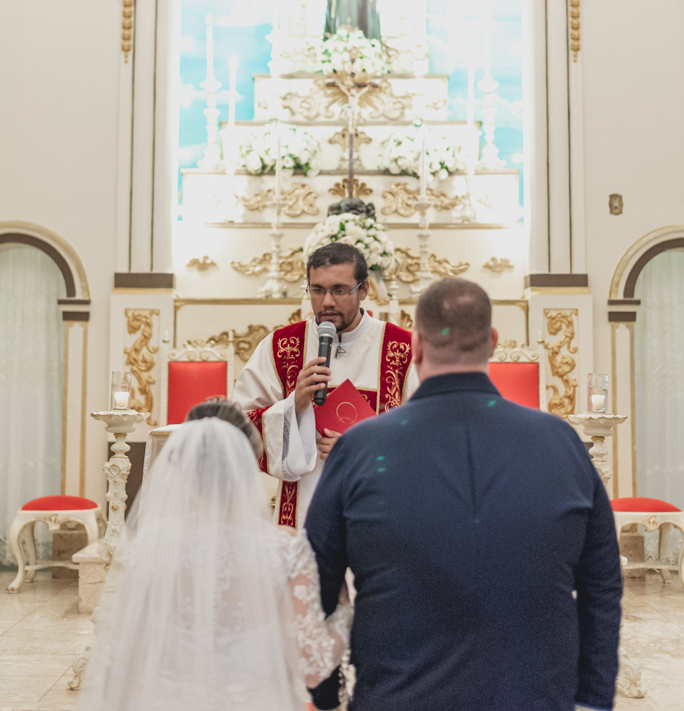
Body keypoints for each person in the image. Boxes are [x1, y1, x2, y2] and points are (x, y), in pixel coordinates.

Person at [305, 278, 623, 711]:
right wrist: (593, 698)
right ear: (492, 342)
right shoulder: (560, 442)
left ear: (415, 347)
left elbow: (317, 576)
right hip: (535, 696)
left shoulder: (360, 447)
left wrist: (324, 692)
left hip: (398, 695)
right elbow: (602, 581)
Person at [80, 400, 351, 711]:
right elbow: (313, 669)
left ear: (183, 466)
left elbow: (123, 662)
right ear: (250, 463)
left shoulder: (152, 545)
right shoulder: (283, 549)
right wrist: (345, 613)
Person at [232, 242, 416, 529]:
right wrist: (294, 405)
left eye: (340, 290)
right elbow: (239, 428)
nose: (327, 301)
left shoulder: (402, 349)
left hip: (378, 510)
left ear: (364, 290)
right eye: (317, 290)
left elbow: (431, 431)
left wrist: (366, 449)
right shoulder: (282, 347)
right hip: (302, 513)